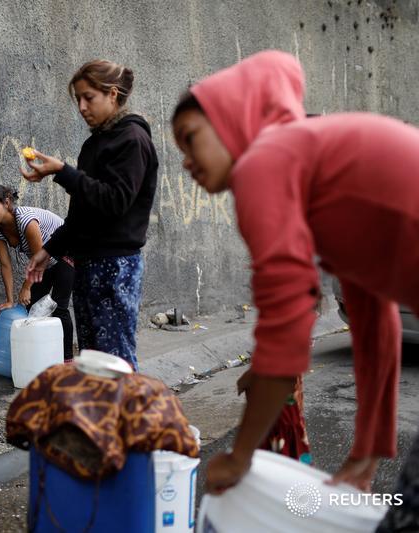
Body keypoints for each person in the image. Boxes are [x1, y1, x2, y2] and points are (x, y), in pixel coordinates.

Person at [170, 49, 419, 527]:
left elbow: (285, 325)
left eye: (191, 139)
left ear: (233, 120)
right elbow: (372, 318)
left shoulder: (264, 163)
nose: (185, 162)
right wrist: (366, 453)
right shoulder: (310, 165)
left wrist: (240, 456)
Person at [20, 59, 159, 371]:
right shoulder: (93, 145)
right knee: (92, 362)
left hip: (116, 266)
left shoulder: (132, 140)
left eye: (89, 98)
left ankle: (128, 419)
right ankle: (103, 419)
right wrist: (48, 250)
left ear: (112, 94)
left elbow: (115, 202)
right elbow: (81, 213)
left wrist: (63, 171)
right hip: (87, 265)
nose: (82, 106)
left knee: (115, 361)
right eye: (78, 99)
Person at [0, 183, 75, 360]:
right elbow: (5, 265)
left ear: (6, 203)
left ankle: (67, 361)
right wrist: (9, 300)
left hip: (68, 254)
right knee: (29, 308)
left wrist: (26, 287)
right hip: (46, 262)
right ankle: (35, 357)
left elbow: (40, 257)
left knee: (58, 306)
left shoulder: (26, 220)